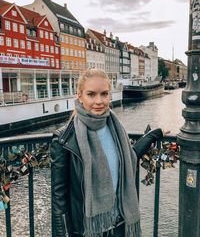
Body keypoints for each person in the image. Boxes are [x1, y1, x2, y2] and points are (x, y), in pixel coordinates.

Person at [51, 69, 163, 237]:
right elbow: (59, 198)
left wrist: (152, 135)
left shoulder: (116, 128)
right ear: (79, 96)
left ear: (110, 95)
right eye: (91, 94)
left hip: (119, 224)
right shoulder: (65, 139)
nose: (99, 101)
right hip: (87, 229)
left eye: (104, 94)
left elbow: (129, 158)